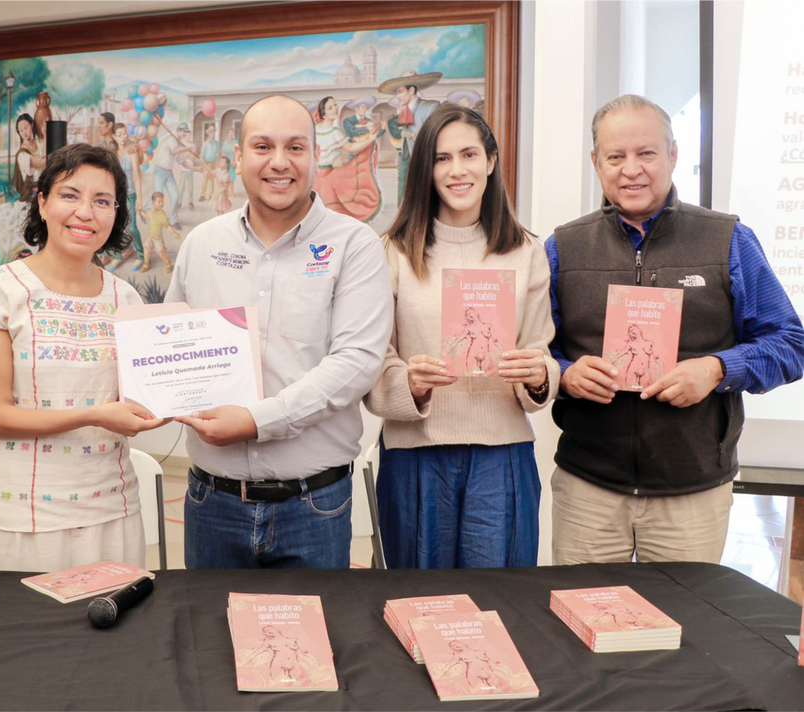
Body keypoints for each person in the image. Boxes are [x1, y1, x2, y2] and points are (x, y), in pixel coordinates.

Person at [547, 94, 804, 565]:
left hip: (693, 494)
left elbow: (790, 344)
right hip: (588, 491)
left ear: (673, 154)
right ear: (596, 163)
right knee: (580, 611)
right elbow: (536, 351)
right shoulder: (563, 247)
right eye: (615, 157)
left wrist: (717, 369)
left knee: (682, 615)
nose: (631, 170)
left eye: (646, 153)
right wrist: (565, 374)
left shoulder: (729, 240)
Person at [166, 94, 393, 569]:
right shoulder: (201, 244)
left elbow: (355, 364)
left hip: (312, 508)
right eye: (262, 146)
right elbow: (171, 345)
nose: (279, 162)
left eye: (295, 147)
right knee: (207, 621)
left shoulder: (355, 246)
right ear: (237, 157)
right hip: (211, 503)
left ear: (315, 155)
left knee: (314, 622)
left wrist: (256, 421)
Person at [364, 104, 558, 569]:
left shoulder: (527, 251)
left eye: (469, 154)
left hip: (502, 454)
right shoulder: (392, 252)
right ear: (425, 170)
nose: (457, 170)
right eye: (441, 158)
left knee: (500, 598)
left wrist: (538, 376)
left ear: (490, 161)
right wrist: (409, 383)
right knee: (420, 598)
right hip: (416, 454)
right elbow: (374, 362)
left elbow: (540, 353)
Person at [0, 143, 165, 572]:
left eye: (102, 201)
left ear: (116, 214)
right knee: (27, 618)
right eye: (70, 195)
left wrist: (176, 400)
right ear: (42, 202)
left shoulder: (126, 298)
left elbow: (139, 400)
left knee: (116, 617)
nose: (85, 212)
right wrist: (97, 415)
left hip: (112, 509)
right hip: (24, 516)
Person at [313, 95, 382, 222]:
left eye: (335, 105)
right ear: (323, 113)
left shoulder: (315, 129)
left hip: (315, 177)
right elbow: (352, 147)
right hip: (325, 179)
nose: (335, 109)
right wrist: (371, 139)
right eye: (330, 107)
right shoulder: (334, 132)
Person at [380, 70, 441, 206]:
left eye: (400, 91)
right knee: (403, 187)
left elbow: (436, 136)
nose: (397, 96)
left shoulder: (430, 107)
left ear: (412, 90)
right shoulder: (403, 111)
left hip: (424, 159)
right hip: (405, 156)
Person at [103, 122, 145, 271]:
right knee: (116, 226)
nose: (123, 137)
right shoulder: (113, 154)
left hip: (130, 194)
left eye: (124, 133)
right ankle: (117, 255)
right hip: (116, 196)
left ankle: (141, 255)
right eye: (119, 134)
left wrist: (140, 198)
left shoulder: (131, 151)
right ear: (114, 137)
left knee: (132, 227)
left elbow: (137, 176)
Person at [137, 192, 179, 273]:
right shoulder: (150, 212)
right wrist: (140, 210)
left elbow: (168, 226)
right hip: (150, 237)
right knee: (146, 248)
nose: (161, 204)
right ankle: (146, 264)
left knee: (161, 252)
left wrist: (174, 233)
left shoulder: (162, 215)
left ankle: (168, 264)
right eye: (159, 202)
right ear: (153, 202)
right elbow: (146, 216)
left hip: (158, 238)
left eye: (162, 202)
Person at [12, 112, 45, 202]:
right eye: (21, 130)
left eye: (26, 128)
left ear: (32, 125)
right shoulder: (22, 155)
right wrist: (46, 135)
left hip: (45, 185)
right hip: (32, 192)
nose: (24, 133)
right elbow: (43, 161)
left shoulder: (39, 142)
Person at [198, 124, 219, 202]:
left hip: (213, 163)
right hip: (206, 164)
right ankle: (202, 195)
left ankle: (211, 195)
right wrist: (204, 164)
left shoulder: (217, 144)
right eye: (211, 132)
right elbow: (201, 156)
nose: (212, 133)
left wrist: (217, 167)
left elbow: (217, 156)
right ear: (208, 133)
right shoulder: (205, 144)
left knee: (212, 180)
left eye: (213, 132)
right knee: (205, 180)